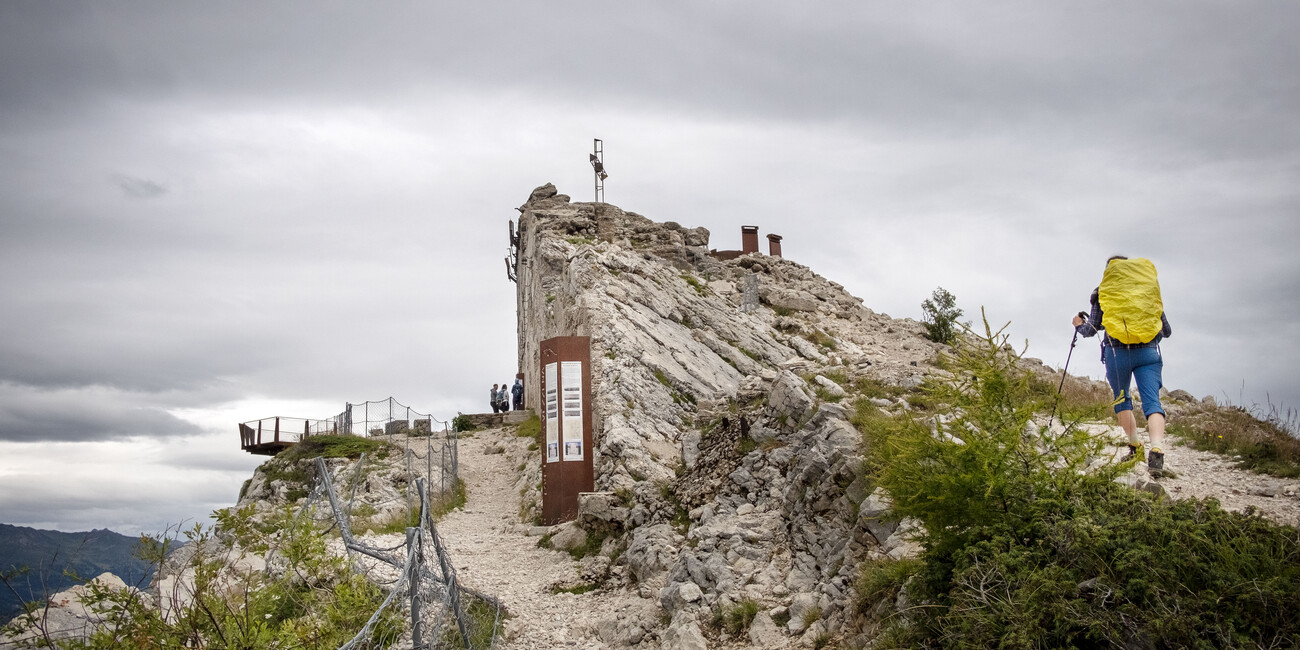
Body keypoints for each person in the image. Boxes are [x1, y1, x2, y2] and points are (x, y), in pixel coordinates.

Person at [1073, 255, 1173, 476]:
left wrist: (1079, 325)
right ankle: (1157, 450)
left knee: (1122, 399)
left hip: (1117, 354)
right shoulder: (1147, 290)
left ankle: (1135, 447)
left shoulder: (1103, 292)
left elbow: (1092, 329)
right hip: (1148, 354)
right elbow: (1166, 330)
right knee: (1152, 402)